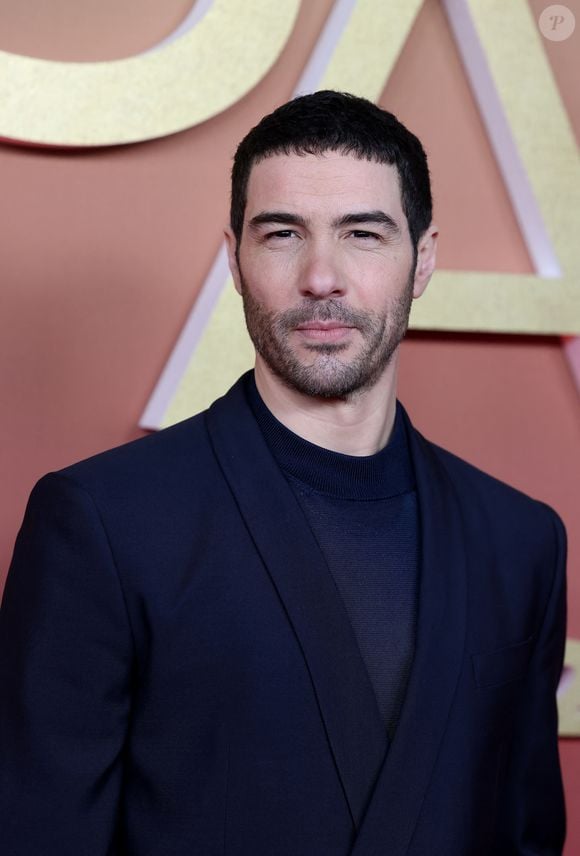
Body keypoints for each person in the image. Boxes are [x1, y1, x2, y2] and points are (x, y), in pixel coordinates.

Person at [0, 91, 566, 855]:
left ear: (423, 259)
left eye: (363, 233)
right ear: (235, 259)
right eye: (282, 234)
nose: (321, 277)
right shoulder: (101, 522)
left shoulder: (519, 539)